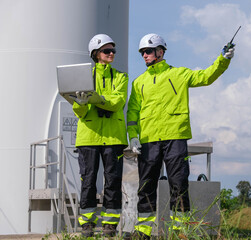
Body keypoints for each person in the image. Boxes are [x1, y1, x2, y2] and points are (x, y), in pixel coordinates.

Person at [126, 33, 234, 239]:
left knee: (178, 183)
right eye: (142, 53)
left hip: (175, 136)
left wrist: (223, 59)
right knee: (146, 185)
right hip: (148, 140)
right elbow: (132, 112)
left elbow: (207, 76)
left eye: (148, 51)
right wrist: (133, 136)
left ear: (160, 51)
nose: (145, 55)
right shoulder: (139, 82)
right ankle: (143, 230)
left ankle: (180, 230)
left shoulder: (180, 74)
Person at [71, 34, 128, 237]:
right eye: (107, 51)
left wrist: (95, 99)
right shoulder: (83, 77)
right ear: (96, 54)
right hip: (88, 137)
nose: (112, 53)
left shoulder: (121, 76)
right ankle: (87, 224)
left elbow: (117, 102)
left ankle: (110, 225)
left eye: (113, 50)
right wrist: (80, 102)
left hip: (114, 137)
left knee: (112, 181)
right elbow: (80, 112)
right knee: (88, 180)